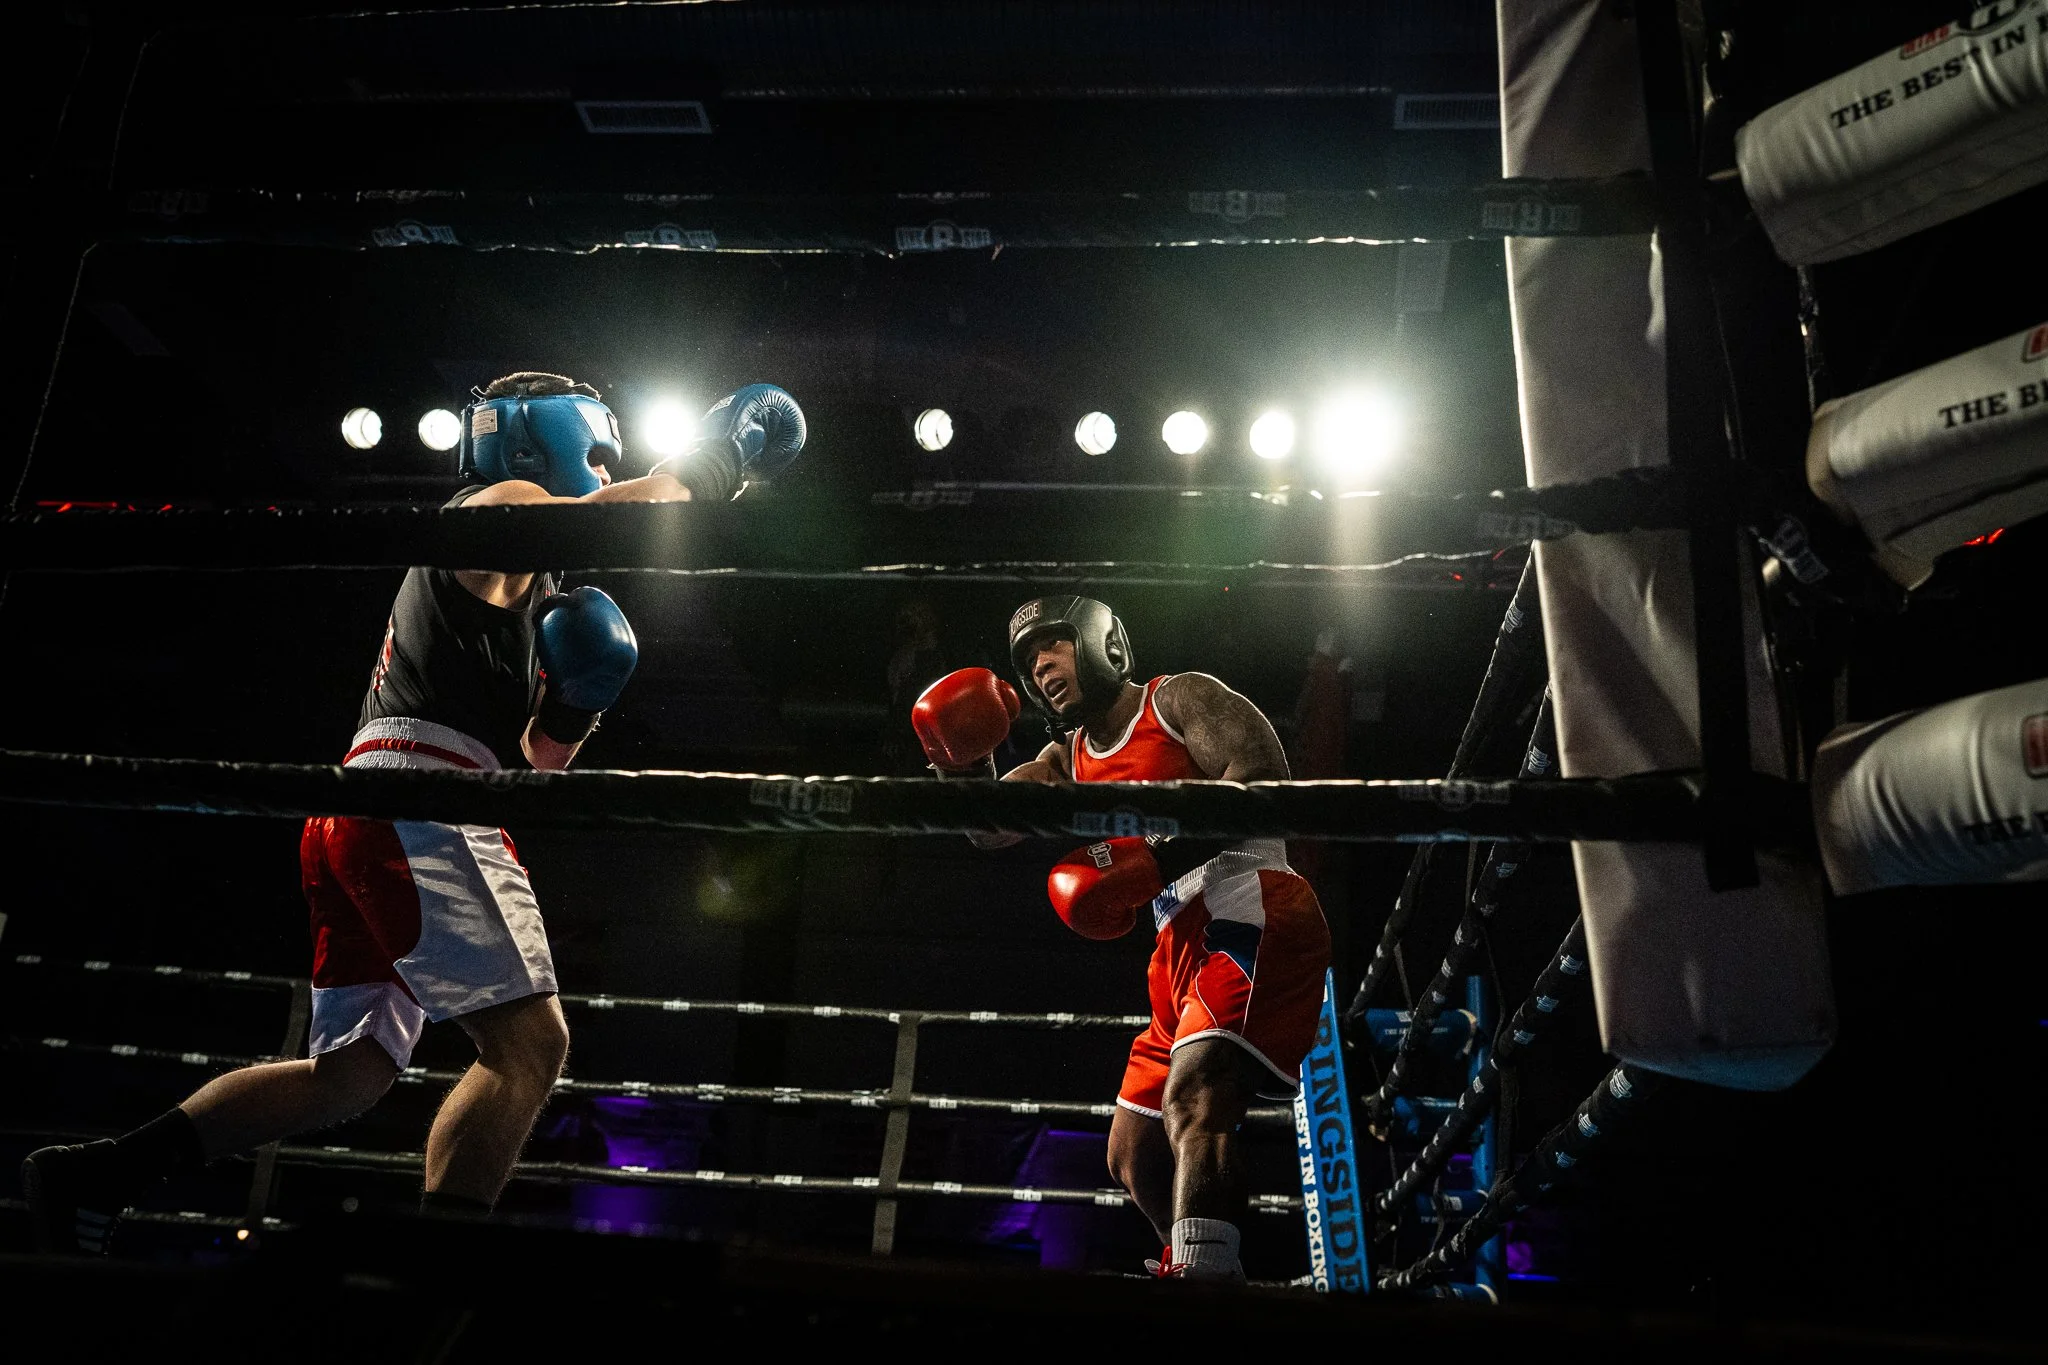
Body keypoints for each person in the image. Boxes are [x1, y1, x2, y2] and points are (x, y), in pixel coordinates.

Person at [22, 372, 806, 1252]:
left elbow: (538, 764)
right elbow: (635, 513)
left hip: (372, 803)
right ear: (527, 437)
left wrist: (578, 699)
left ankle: (100, 1173)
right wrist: (720, 452)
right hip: (418, 800)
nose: (600, 459)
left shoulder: (524, 581)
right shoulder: (504, 499)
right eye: (589, 436)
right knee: (530, 1049)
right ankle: (436, 1276)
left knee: (349, 1074)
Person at [910, 594, 1332, 1283]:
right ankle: (1196, 1263)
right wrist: (961, 760)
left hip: (1248, 900)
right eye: (1027, 660)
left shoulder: (1178, 700)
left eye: (1053, 645)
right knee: (1134, 1151)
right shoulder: (1066, 757)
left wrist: (1158, 857)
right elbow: (990, 826)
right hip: (1175, 941)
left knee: (1196, 1098)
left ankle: (1205, 1283)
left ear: (1102, 640)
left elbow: (1262, 775)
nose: (1040, 666)